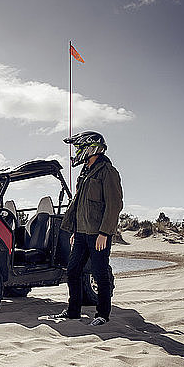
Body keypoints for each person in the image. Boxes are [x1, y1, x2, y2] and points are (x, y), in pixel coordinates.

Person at [50, 131, 123, 326]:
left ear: (92, 148)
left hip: (98, 234)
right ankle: (73, 311)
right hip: (81, 233)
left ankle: (102, 314)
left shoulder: (107, 171)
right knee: (73, 271)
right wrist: (74, 230)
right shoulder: (85, 172)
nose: (77, 152)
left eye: (80, 148)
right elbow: (78, 205)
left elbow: (114, 204)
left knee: (100, 274)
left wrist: (105, 233)